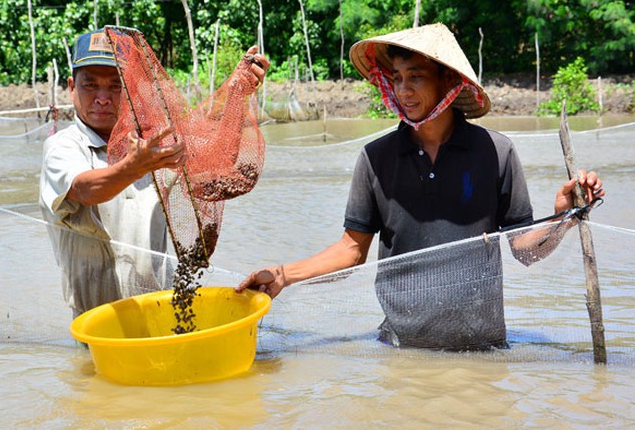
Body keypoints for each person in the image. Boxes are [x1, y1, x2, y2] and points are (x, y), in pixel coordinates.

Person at [236, 23, 604, 350]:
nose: (403, 90)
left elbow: (524, 250)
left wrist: (564, 217)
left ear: (447, 80)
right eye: (395, 77)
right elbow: (351, 251)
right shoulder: (376, 159)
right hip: (401, 349)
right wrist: (283, 275)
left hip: (482, 350)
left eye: (416, 77)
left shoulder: (495, 151)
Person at [40, 28, 268, 318]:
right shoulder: (63, 147)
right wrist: (135, 167)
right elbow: (86, 189)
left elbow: (213, 153)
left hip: (161, 314)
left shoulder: (156, 145)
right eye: (90, 85)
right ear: (72, 87)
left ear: (131, 90)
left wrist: (235, 93)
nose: (102, 97)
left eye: (115, 86)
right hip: (96, 324)